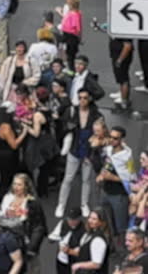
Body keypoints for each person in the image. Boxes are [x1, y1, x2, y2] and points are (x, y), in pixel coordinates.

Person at [55, 87, 104, 218]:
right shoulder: (71, 111)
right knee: (68, 178)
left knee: (86, 179)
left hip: (88, 151)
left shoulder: (96, 114)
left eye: (85, 98)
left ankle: (84, 204)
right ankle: (61, 204)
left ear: (90, 99)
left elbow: (101, 134)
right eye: (80, 97)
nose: (82, 100)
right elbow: (61, 127)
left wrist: (94, 148)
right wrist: (68, 128)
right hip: (75, 149)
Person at [98, 126, 134, 240]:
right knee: (104, 220)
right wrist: (101, 174)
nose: (111, 140)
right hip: (105, 191)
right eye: (110, 137)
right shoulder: (109, 150)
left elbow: (131, 177)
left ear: (121, 140)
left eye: (115, 138)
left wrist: (113, 177)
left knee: (120, 225)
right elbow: (107, 164)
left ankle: (122, 248)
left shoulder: (128, 157)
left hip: (119, 195)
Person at [65, 209, 111, 274]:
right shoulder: (90, 233)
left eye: (94, 219)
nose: (90, 221)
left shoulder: (98, 240)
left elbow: (96, 264)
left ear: (101, 222)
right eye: (90, 217)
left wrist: (78, 265)